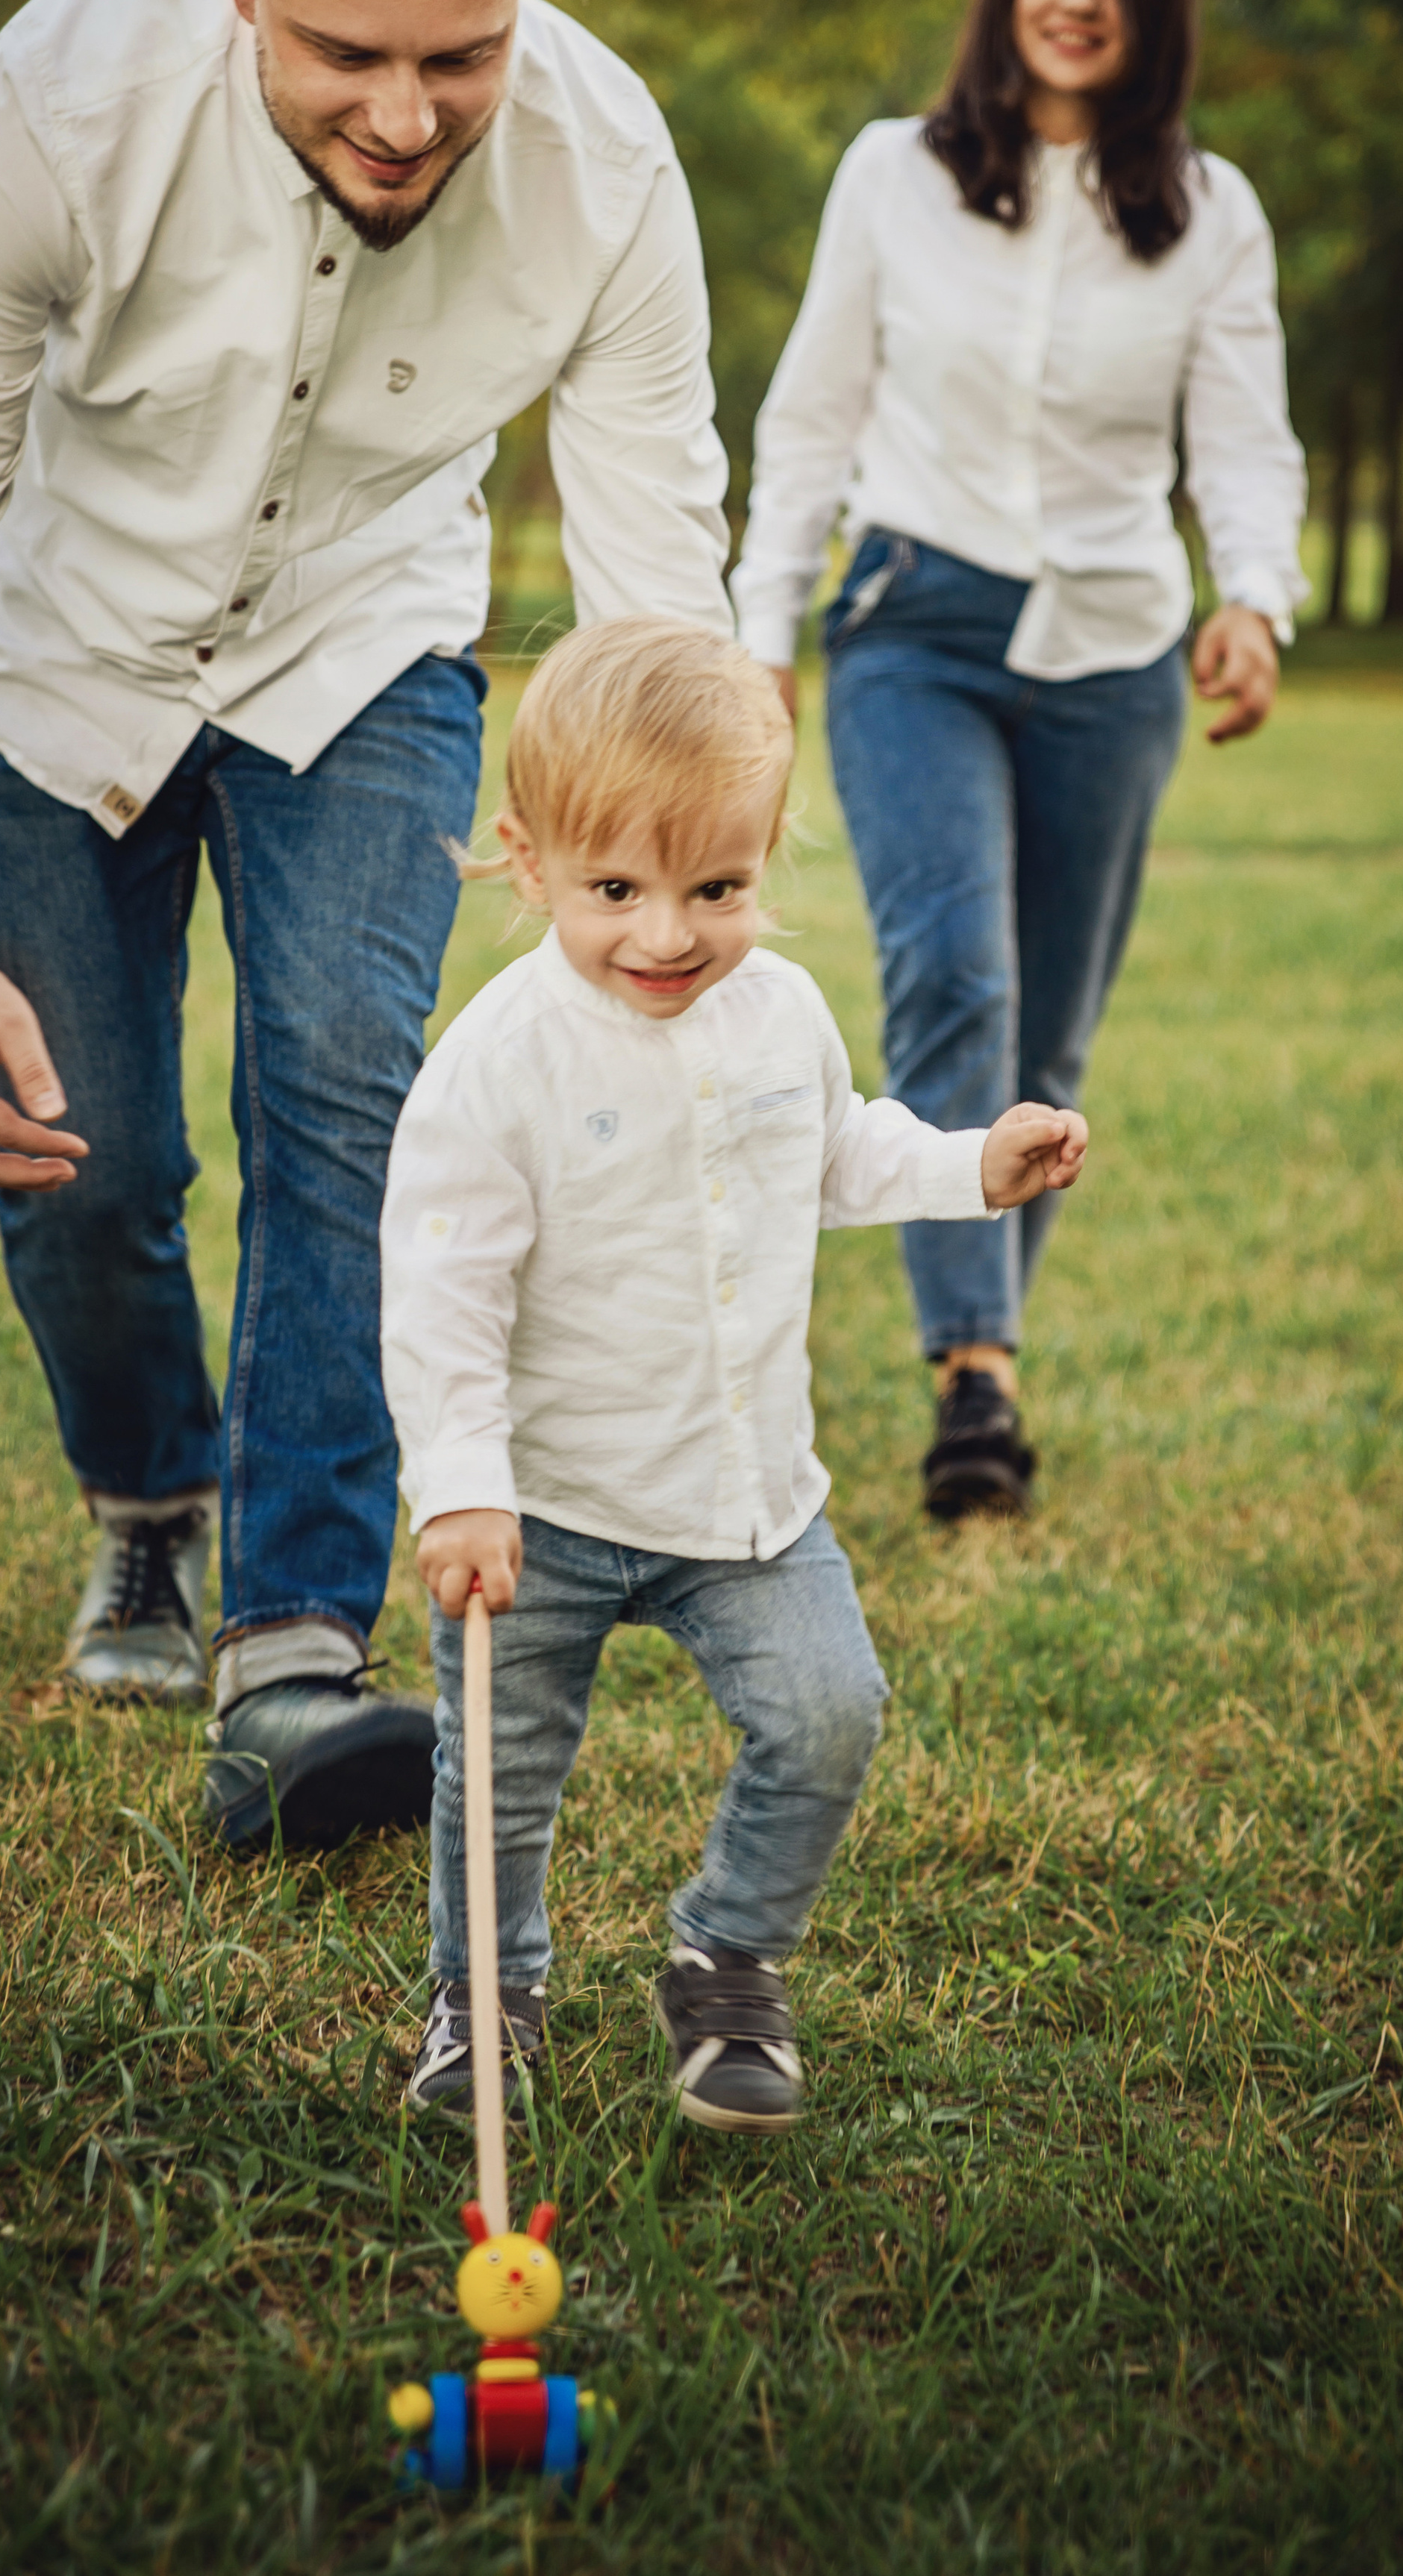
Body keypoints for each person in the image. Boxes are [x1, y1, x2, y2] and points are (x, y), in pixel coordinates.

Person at [0, 0, 734, 1850]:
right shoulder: (63, 98)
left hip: (367, 646)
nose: (407, 115)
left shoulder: (607, 163)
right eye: (344, 54)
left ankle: (299, 1654)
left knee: (350, 1101)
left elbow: (653, 586)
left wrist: (664, 902)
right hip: (63, 667)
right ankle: (150, 1496)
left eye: (462, 54)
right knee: (92, 1169)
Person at [379, 620, 1089, 2131]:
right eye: (616, 890)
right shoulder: (497, 1063)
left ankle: (726, 1952)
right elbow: (438, 1289)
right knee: (498, 1777)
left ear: (766, 854)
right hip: (543, 1509)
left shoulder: (781, 1014)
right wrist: (458, 1488)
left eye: (717, 888)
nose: (666, 935)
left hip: (743, 1495)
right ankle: (481, 1994)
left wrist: (972, 1163)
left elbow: (836, 1149)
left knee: (827, 1711)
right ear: (528, 858)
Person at [731, 0, 1307, 1522]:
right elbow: (811, 419)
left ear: (1155, 10)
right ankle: (972, 1370)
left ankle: (982, 1345)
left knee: (1047, 1030)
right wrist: (759, 627)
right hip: (914, 621)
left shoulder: (1211, 214)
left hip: (1117, 654)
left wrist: (1251, 604)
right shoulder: (890, 178)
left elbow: (1244, 445)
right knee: (952, 974)